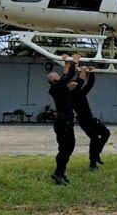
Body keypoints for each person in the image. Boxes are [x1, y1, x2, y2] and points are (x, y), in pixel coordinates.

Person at [47, 53, 83, 185]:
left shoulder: (57, 88)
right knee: (66, 148)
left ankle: (60, 172)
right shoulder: (58, 86)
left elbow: (65, 76)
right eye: (57, 75)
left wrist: (66, 62)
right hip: (64, 122)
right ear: (54, 79)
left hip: (63, 121)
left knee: (66, 147)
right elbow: (68, 76)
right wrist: (75, 61)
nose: (59, 75)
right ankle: (58, 174)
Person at [71, 64, 110, 171]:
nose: (75, 83)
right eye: (73, 83)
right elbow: (81, 82)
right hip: (84, 121)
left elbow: (89, 84)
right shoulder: (71, 95)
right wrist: (84, 71)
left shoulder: (80, 93)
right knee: (94, 139)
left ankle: (96, 154)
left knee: (106, 133)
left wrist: (91, 72)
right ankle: (93, 163)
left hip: (90, 119)